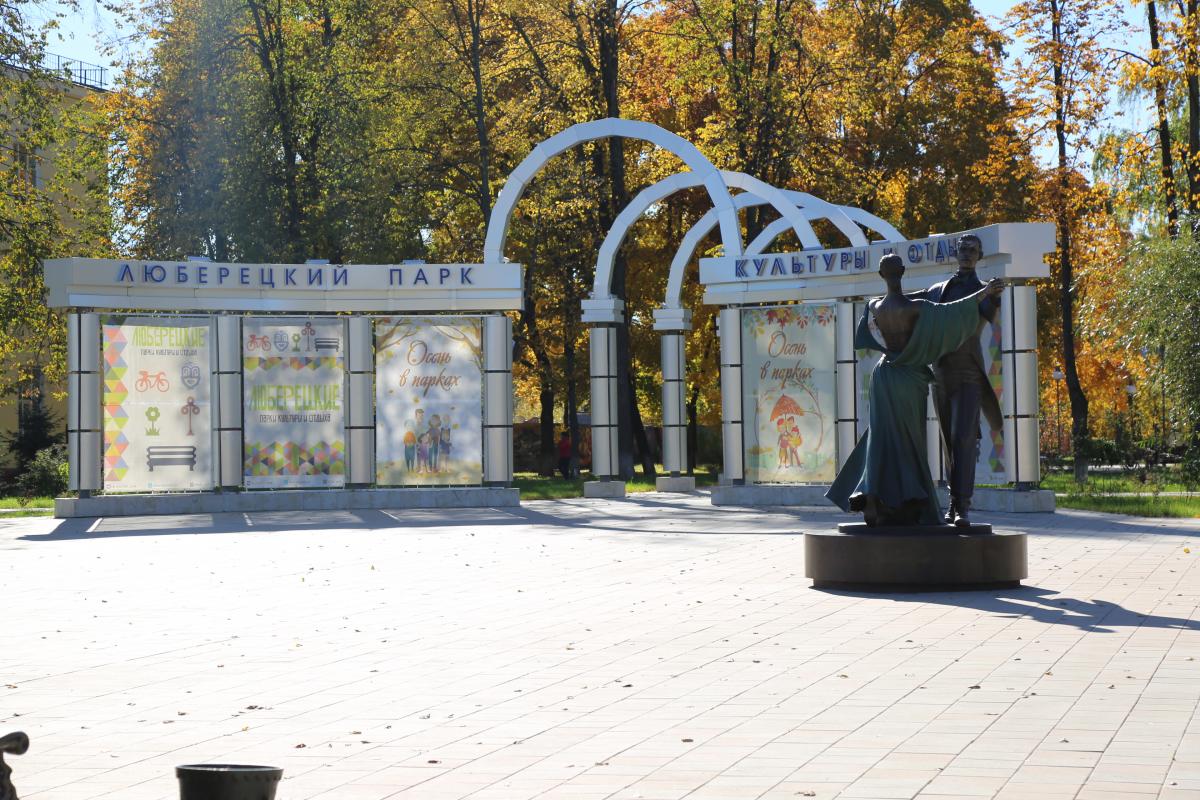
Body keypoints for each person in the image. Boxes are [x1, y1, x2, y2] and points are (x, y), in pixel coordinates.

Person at [826, 253, 1003, 526]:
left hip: (883, 375)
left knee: (881, 437)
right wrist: (986, 292)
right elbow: (953, 311)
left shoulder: (873, 305)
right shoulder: (915, 307)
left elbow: (865, 338)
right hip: (908, 377)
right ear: (903, 271)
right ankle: (911, 498)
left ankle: (872, 493)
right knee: (910, 440)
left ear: (881, 275)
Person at [920, 234, 1003, 526]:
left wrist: (992, 295)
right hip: (941, 373)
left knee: (963, 438)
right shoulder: (937, 290)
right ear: (956, 253)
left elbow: (987, 314)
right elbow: (911, 304)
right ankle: (953, 502)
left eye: (973, 250)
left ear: (980, 255)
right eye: (963, 249)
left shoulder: (986, 290)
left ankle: (962, 505)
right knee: (948, 440)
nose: (967, 253)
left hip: (969, 373)